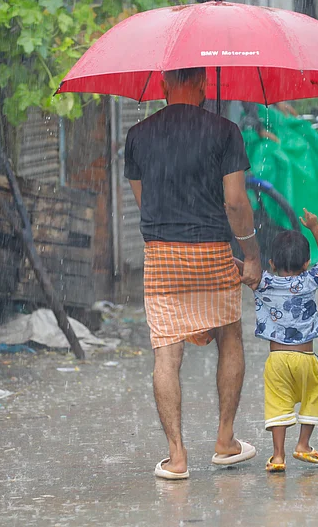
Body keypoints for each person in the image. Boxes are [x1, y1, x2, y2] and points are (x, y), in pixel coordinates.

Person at [123, 67, 263, 480]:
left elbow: (144, 201)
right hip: (213, 248)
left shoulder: (138, 135)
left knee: (167, 353)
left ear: (163, 85)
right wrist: (250, 255)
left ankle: (177, 457)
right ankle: (224, 441)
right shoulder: (225, 131)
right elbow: (236, 203)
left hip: (162, 256)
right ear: (204, 84)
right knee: (230, 335)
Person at [238, 209, 318, 472]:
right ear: (306, 263)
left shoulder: (263, 282)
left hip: (277, 361)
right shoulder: (310, 280)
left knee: (278, 404)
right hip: (306, 359)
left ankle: (278, 456)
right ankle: (303, 444)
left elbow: (241, 268)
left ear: (271, 263)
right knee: (313, 397)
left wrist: (230, 255)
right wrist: (314, 227)